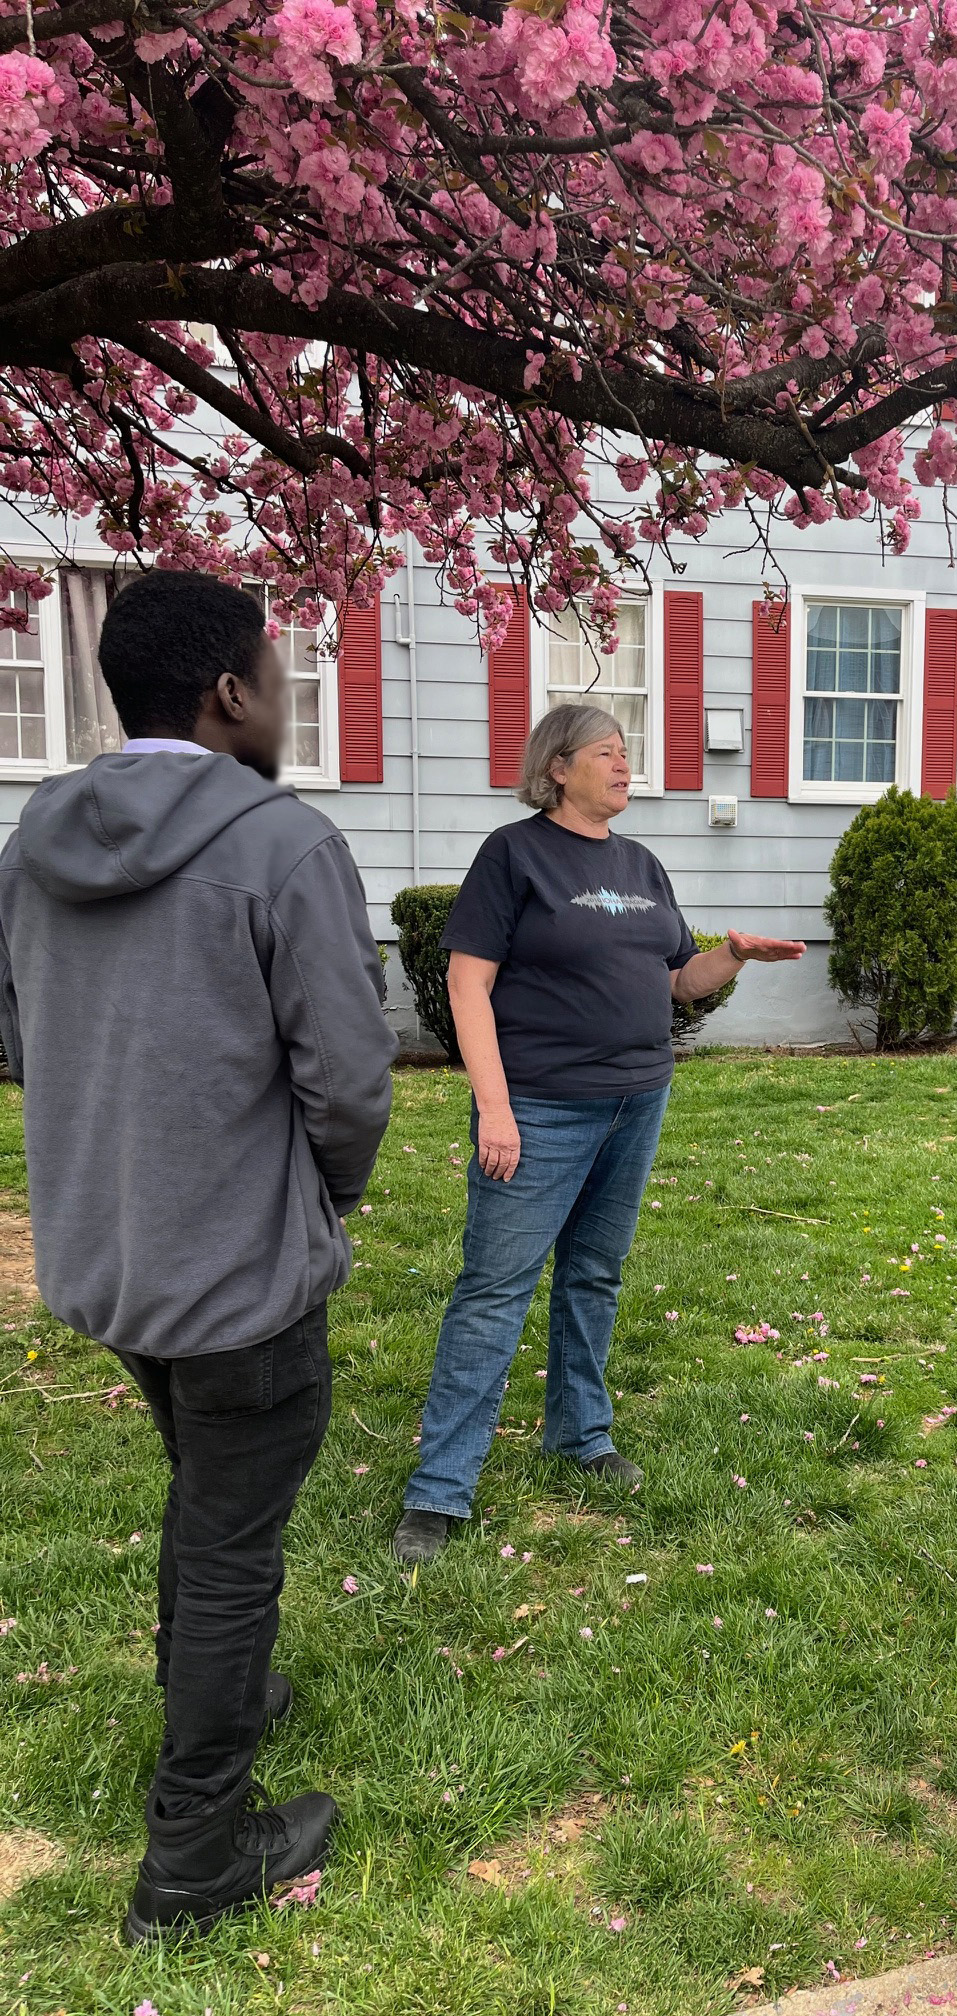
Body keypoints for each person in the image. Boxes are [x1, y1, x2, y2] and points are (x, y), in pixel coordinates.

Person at [0, 571, 396, 1941]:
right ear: (230, 693)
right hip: (239, 1275)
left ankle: (212, 1689)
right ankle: (195, 1853)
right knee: (232, 1543)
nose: (283, 700)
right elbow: (350, 1079)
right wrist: (329, 1195)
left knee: (207, 1498)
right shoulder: (284, 843)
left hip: (110, 1256)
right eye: (276, 677)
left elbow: (18, 1036)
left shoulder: (33, 835)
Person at [392, 703, 804, 1565]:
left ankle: (580, 1435)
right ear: (557, 767)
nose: (624, 764)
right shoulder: (513, 856)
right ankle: (439, 1489)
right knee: (494, 1289)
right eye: (607, 752)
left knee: (594, 1274)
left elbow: (678, 979)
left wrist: (733, 955)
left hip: (636, 1101)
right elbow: (467, 987)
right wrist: (495, 1107)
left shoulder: (640, 863)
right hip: (540, 1106)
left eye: (626, 752)